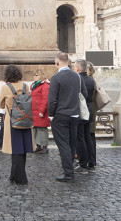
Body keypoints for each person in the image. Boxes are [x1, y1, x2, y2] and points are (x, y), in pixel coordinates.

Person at [48, 52, 81, 182]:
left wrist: (50, 115)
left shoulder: (56, 78)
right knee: (72, 143)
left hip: (60, 115)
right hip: (75, 114)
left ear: (57, 63)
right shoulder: (76, 77)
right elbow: (81, 93)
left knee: (63, 145)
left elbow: (52, 100)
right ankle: (69, 169)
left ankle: (68, 173)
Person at [0, 65, 33, 185]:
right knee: (22, 149)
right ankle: (14, 175)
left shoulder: (5, 88)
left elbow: (1, 105)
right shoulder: (25, 86)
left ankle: (20, 178)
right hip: (25, 119)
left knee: (16, 149)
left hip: (12, 121)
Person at [74, 59, 93, 171]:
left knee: (80, 138)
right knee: (87, 137)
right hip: (88, 110)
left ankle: (83, 162)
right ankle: (91, 161)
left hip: (81, 110)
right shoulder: (91, 80)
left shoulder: (78, 79)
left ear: (78, 68)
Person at [31, 69, 51, 154]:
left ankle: (44, 146)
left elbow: (45, 100)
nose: (34, 77)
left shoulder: (45, 85)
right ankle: (38, 145)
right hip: (34, 111)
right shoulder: (34, 85)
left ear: (41, 76)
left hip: (40, 111)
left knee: (42, 129)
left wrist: (42, 111)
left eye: (37, 75)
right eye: (34, 75)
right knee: (35, 129)